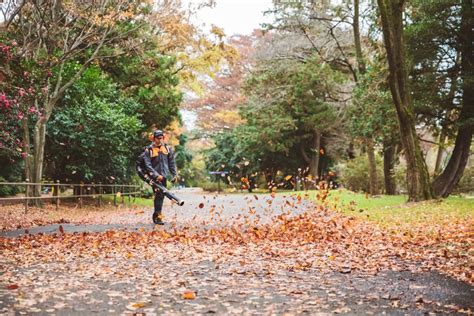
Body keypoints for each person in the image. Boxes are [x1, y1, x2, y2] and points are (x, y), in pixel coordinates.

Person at [143, 130, 178, 225]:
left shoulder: (167, 149)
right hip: (154, 178)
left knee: (161, 196)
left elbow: (171, 163)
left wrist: (174, 174)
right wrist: (155, 175)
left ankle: (156, 215)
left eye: (161, 138)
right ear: (154, 138)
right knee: (159, 195)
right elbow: (148, 165)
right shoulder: (148, 150)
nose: (160, 140)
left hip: (164, 176)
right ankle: (158, 217)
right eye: (158, 138)